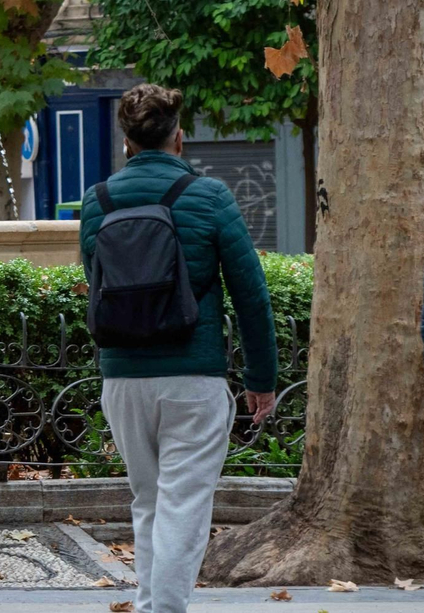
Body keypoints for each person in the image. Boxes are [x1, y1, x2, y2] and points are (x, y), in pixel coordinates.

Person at [79, 83, 277, 613]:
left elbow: (97, 283)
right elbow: (251, 295)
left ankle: (151, 603)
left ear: (127, 141)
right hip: (194, 375)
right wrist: (262, 379)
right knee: (184, 501)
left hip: (122, 377)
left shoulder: (96, 202)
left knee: (147, 499)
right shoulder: (209, 197)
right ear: (179, 138)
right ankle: (163, 609)